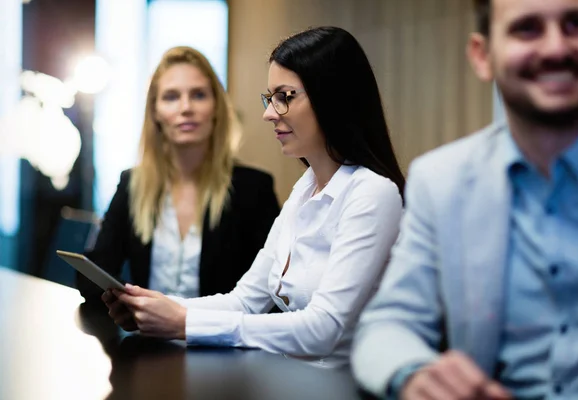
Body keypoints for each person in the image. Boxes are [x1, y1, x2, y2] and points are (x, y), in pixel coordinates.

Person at [103, 26, 406, 368]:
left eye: (285, 96)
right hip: (283, 379)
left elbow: (323, 329)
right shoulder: (305, 188)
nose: (269, 113)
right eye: (270, 98)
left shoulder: (372, 194)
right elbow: (245, 301)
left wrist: (185, 322)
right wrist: (152, 306)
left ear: (330, 97)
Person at [352, 0, 578, 398]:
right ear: (483, 56)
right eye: (528, 29)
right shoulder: (440, 181)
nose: (556, 48)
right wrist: (414, 373)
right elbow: (390, 323)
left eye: (576, 24)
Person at [77, 46, 280, 305]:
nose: (186, 107)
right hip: (146, 341)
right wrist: (128, 304)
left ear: (216, 107)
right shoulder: (133, 185)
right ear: (155, 112)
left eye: (198, 95)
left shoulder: (253, 188)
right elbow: (93, 276)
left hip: (223, 341)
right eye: (171, 97)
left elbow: (274, 292)